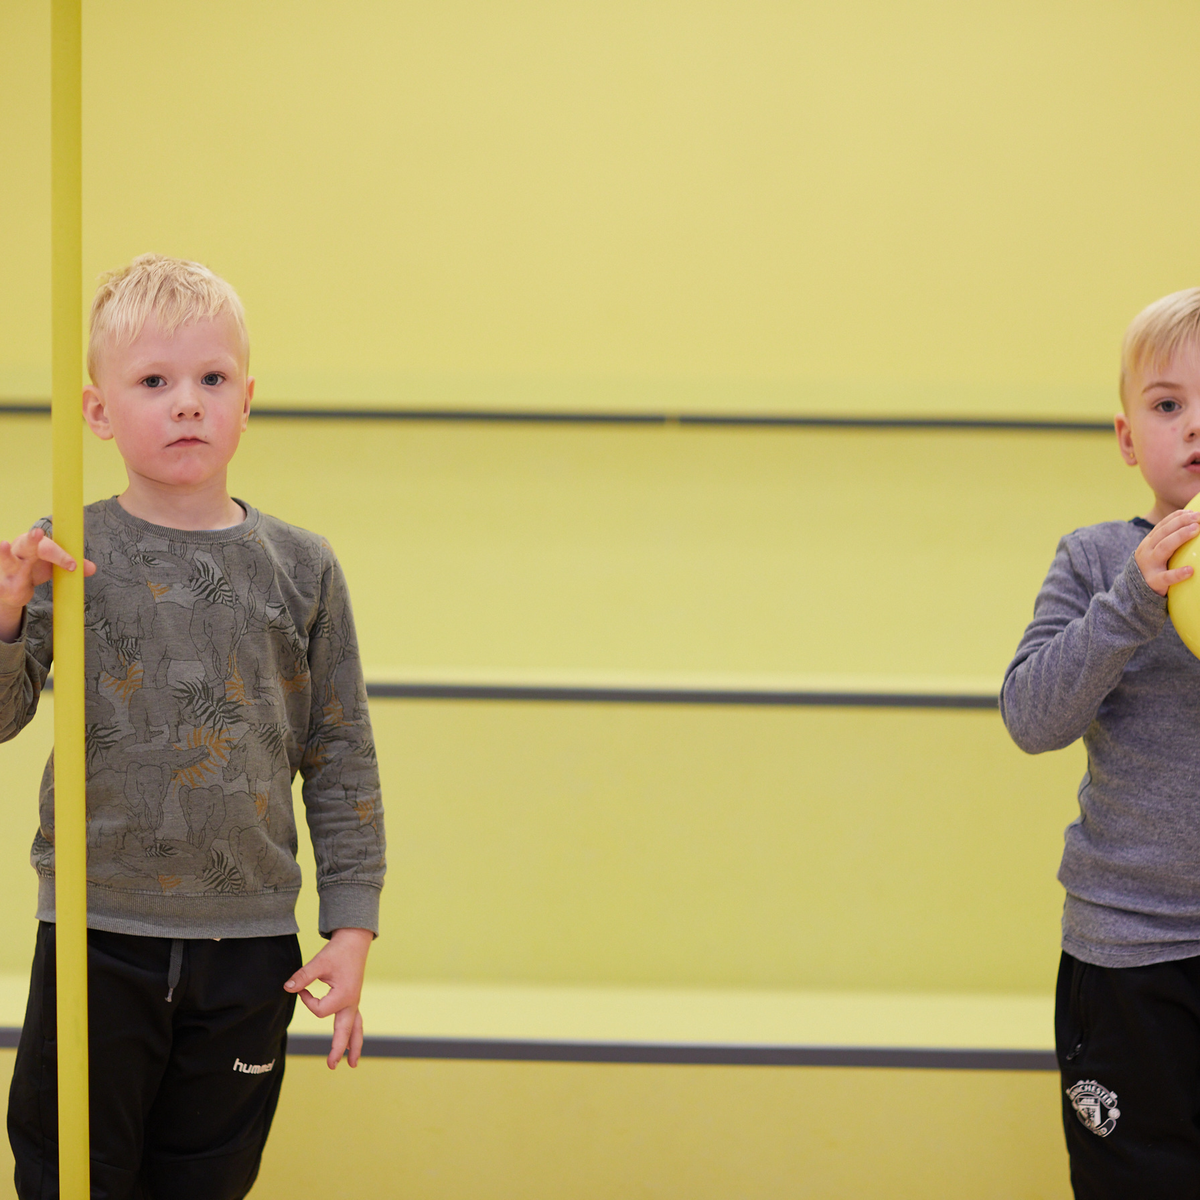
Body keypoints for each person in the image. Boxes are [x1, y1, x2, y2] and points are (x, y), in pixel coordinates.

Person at [0, 253, 386, 1199]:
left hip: (250, 947)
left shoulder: (303, 566)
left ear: (246, 401)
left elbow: (340, 754)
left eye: (212, 380)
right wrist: (7, 614)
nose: (186, 404)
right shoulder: (66, 550)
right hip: (95, 932)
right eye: (154, 382)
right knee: (70, 1177)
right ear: (98, 411)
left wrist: (351, 926)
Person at [1002, 287, 1200, 1198]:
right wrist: (1129, 603)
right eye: (1168, 404)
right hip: (1128, 955)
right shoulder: (1094, 560)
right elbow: (1031, 717)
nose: (1195, 426)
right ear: (1127, 438)